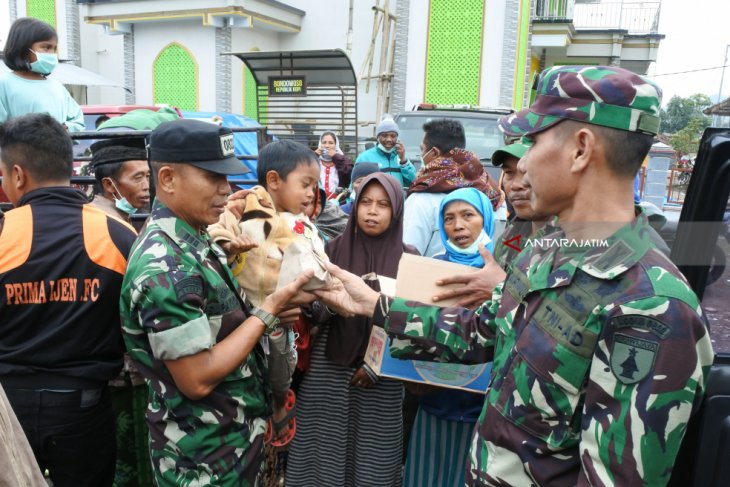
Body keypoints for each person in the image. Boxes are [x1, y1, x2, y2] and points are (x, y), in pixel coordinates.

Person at [313, 65, 714, 486]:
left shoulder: (651, 305)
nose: (523, 163)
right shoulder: (547, 249)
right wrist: (374, 305)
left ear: (580, 149)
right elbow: (484, 331)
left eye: (535, 141)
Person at [119, 120, 315, 486]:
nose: (227, 190)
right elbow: (196, 379)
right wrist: (268, 311)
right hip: (204, 460)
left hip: (234, 443)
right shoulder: (166, 264)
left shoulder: (196, 237)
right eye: (213, 177)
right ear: (167, 179)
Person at [0, 113, 137, 486]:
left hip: (9, 407)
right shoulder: (117, 232)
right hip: (85, 406)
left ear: (17, 174)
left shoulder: (2, 233)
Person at [287, 173, 414, 487]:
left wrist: (377, 364)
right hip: (328, 369)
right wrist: (332, 305)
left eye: (383, 205)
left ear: (396, 211)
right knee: (320, 455)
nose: (372, 211)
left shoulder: (410, 260)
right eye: (366, 202)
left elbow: (414, 326)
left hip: (383, 376)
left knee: (373, 459)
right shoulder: (330, 250)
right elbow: (308, 314)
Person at [208, 139, 325, 448]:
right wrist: (228, 245)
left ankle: (278, 400)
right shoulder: (243, 205)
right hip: (245, 316)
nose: (312, 193)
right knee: (252, 369)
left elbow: (317, 260)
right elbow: (218, 229)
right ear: (274, 180)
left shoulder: (302, 224)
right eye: (306, 184)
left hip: (281, 319)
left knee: (281, 366)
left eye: (315, 186)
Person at [404, 187, 496, 487]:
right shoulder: (430, 269)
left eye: (468, 215)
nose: (458, 226)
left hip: (484, 413)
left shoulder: (502, 271)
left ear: (487, 219)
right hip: (434, 403)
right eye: (448, 218)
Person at [404, 119, 503, 257]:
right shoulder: (491, 190)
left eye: (422, 149)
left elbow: (407, 255)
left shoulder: (421, 199)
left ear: (434, 153)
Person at [0, 18, 84, 131]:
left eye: (54, 48)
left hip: (58, 147)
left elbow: (77, 122)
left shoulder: (57, 87)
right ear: (23, 48)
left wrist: (66, 129)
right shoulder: (4, 84)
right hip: (20, 148)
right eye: (46, 47)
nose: (52, 54)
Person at [490, 142, 548, 269]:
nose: (516, 185)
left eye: (528, 172)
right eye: (509, 172)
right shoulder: (510, 236)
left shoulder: (576, 239)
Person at [89, 137, 151, 223]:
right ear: (109, 184)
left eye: (147, 176)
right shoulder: (106, 223)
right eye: (138, 178)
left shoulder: (114, 217)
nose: (146, 186)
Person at [355, 115, 415, 187]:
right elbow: (355, 186)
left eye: (393, 136)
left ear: (397, 138)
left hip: (397, 198)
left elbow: (413, 182)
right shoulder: (364, 158)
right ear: (378, 137)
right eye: (384, 135)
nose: (389, 139)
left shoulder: (401, 158)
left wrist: (403, 161)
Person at [315, 131, 353, 199]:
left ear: (336, 145)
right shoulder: (315, 161)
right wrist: (313, 156)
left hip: (338, 202)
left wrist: (335, 156)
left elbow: (348, 171)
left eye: (331, 143)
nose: (327, 146)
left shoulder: (341, 160)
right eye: (324, 143)